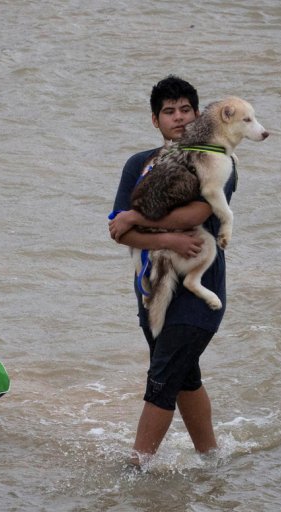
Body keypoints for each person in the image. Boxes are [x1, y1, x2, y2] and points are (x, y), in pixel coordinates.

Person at [108, 75, 225, 466]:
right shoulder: (138, 164)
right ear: (155, 120)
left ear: (198, 115)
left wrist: (139, 218)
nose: (178, 118)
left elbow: (200, 212)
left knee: (161, 375)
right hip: (152, 291)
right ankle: (212, 460)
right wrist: (167, 240)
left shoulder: (216, 157)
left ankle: (135, 467)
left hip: (199, 294)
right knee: (183, 375)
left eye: (186, 110)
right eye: (168, 111)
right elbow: (118, 231)